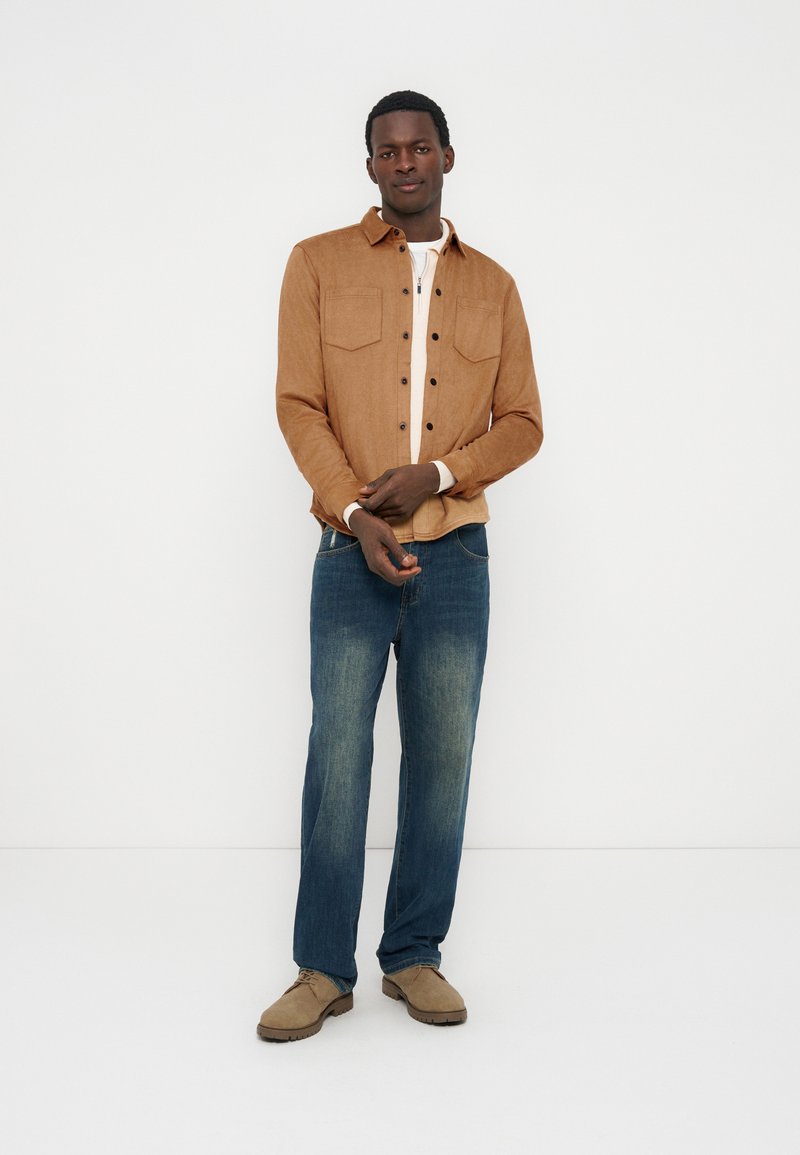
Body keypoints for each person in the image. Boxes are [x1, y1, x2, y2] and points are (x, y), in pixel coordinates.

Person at [257, 90, 543, 1042]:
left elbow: (524, 422)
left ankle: (414, 953)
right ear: (371, 165)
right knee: (338, 756)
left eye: (421, 147)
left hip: (456, 553)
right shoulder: (317, 264)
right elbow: (299, 403)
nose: (406, 162)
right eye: (389, 150)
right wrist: (354, 510)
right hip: (350, 550)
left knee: (443, 759)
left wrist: (440, 473)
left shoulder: (495, 286)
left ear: (447, 157)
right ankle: (320, 969)